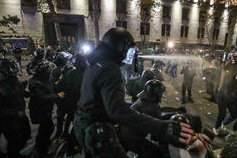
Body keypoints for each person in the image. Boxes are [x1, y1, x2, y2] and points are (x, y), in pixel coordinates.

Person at [74, 28, 194, 157]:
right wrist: (161, 128)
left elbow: (104, 103)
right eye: (129, 49)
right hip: (97, 131)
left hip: (84, 126)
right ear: (121, 46)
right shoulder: (110, 69)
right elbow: (117, 110)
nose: (130, 54)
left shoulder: (96, 63)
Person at [0, 59, 31, 157]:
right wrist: (15, 114)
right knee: (15, 141)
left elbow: (19, 91)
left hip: (20, 115)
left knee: (25, 136)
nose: (14, 73)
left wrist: (30, 93)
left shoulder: (14, 81)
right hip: (8, 121)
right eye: (11, 71)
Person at [119, 80, 166, 158]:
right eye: (160, 93)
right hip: (131, 138)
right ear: (155, 93)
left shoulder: (142, 100)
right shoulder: (152, 107)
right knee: (155, 152)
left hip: (124, 133)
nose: (161, 95)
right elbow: (157, 132)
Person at [28, 61, 65, 157]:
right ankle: (41, 150)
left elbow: (51, 87)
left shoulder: (45, 80)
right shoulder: (36, 83)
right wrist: (57, 95)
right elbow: (42, 97)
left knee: (47, 128)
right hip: (40, 110)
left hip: (47, 109)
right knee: (45, 129)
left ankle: (44, 145)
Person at [55, 53, 87, 138]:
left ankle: (63, 134)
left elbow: (59, 87)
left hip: (72, 103)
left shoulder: (71, 73)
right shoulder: (88, 73)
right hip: (80, 105)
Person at [213, 71, 237, 135]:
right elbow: (226, 94)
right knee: (222, 114)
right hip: (222, 99)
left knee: (235, 113)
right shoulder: (229, 82)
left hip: (230, 99)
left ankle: (223, 123)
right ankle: (215, 127)